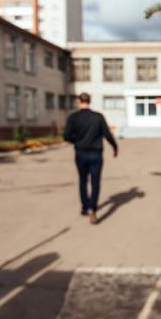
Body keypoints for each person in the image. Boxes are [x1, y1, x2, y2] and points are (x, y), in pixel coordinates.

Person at [63, 92, 118, 224]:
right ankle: (92, 208)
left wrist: (77, 141)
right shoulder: (98, 117)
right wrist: (115, 147)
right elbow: (107, 134)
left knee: (82, 180)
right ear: (90, 101)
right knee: (95, 182)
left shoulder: (73, 117)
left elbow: (66, 136)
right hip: (96, 155)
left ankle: (84, 207)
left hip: (81, 154)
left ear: (79, 101)